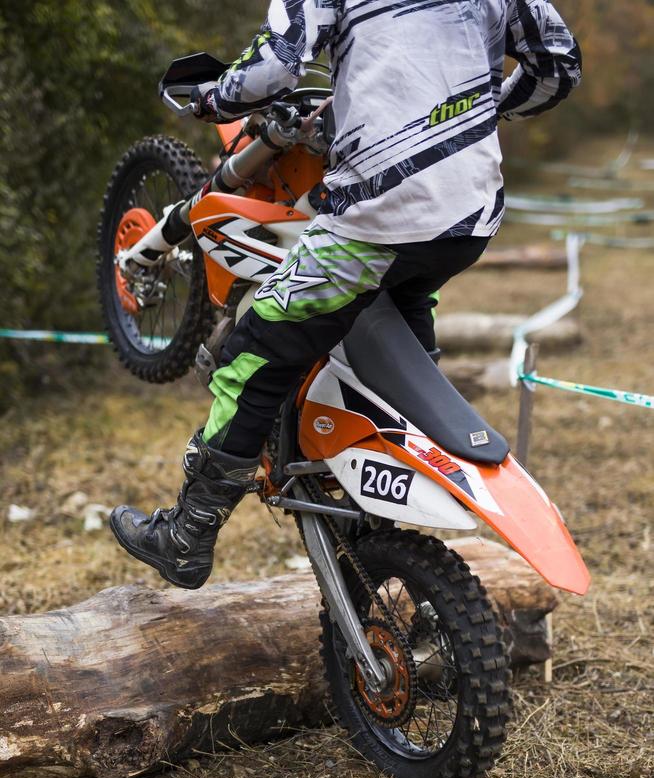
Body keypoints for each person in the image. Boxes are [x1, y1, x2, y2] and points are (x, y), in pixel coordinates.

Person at [110, 0, 581, 590]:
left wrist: (215, 100)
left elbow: (271, 71)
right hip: (470, 219)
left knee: (250, 358)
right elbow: (558, 66)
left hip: (381, 219)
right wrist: (473, 111)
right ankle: (374, 506)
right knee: (393, 319)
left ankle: (188, 533)